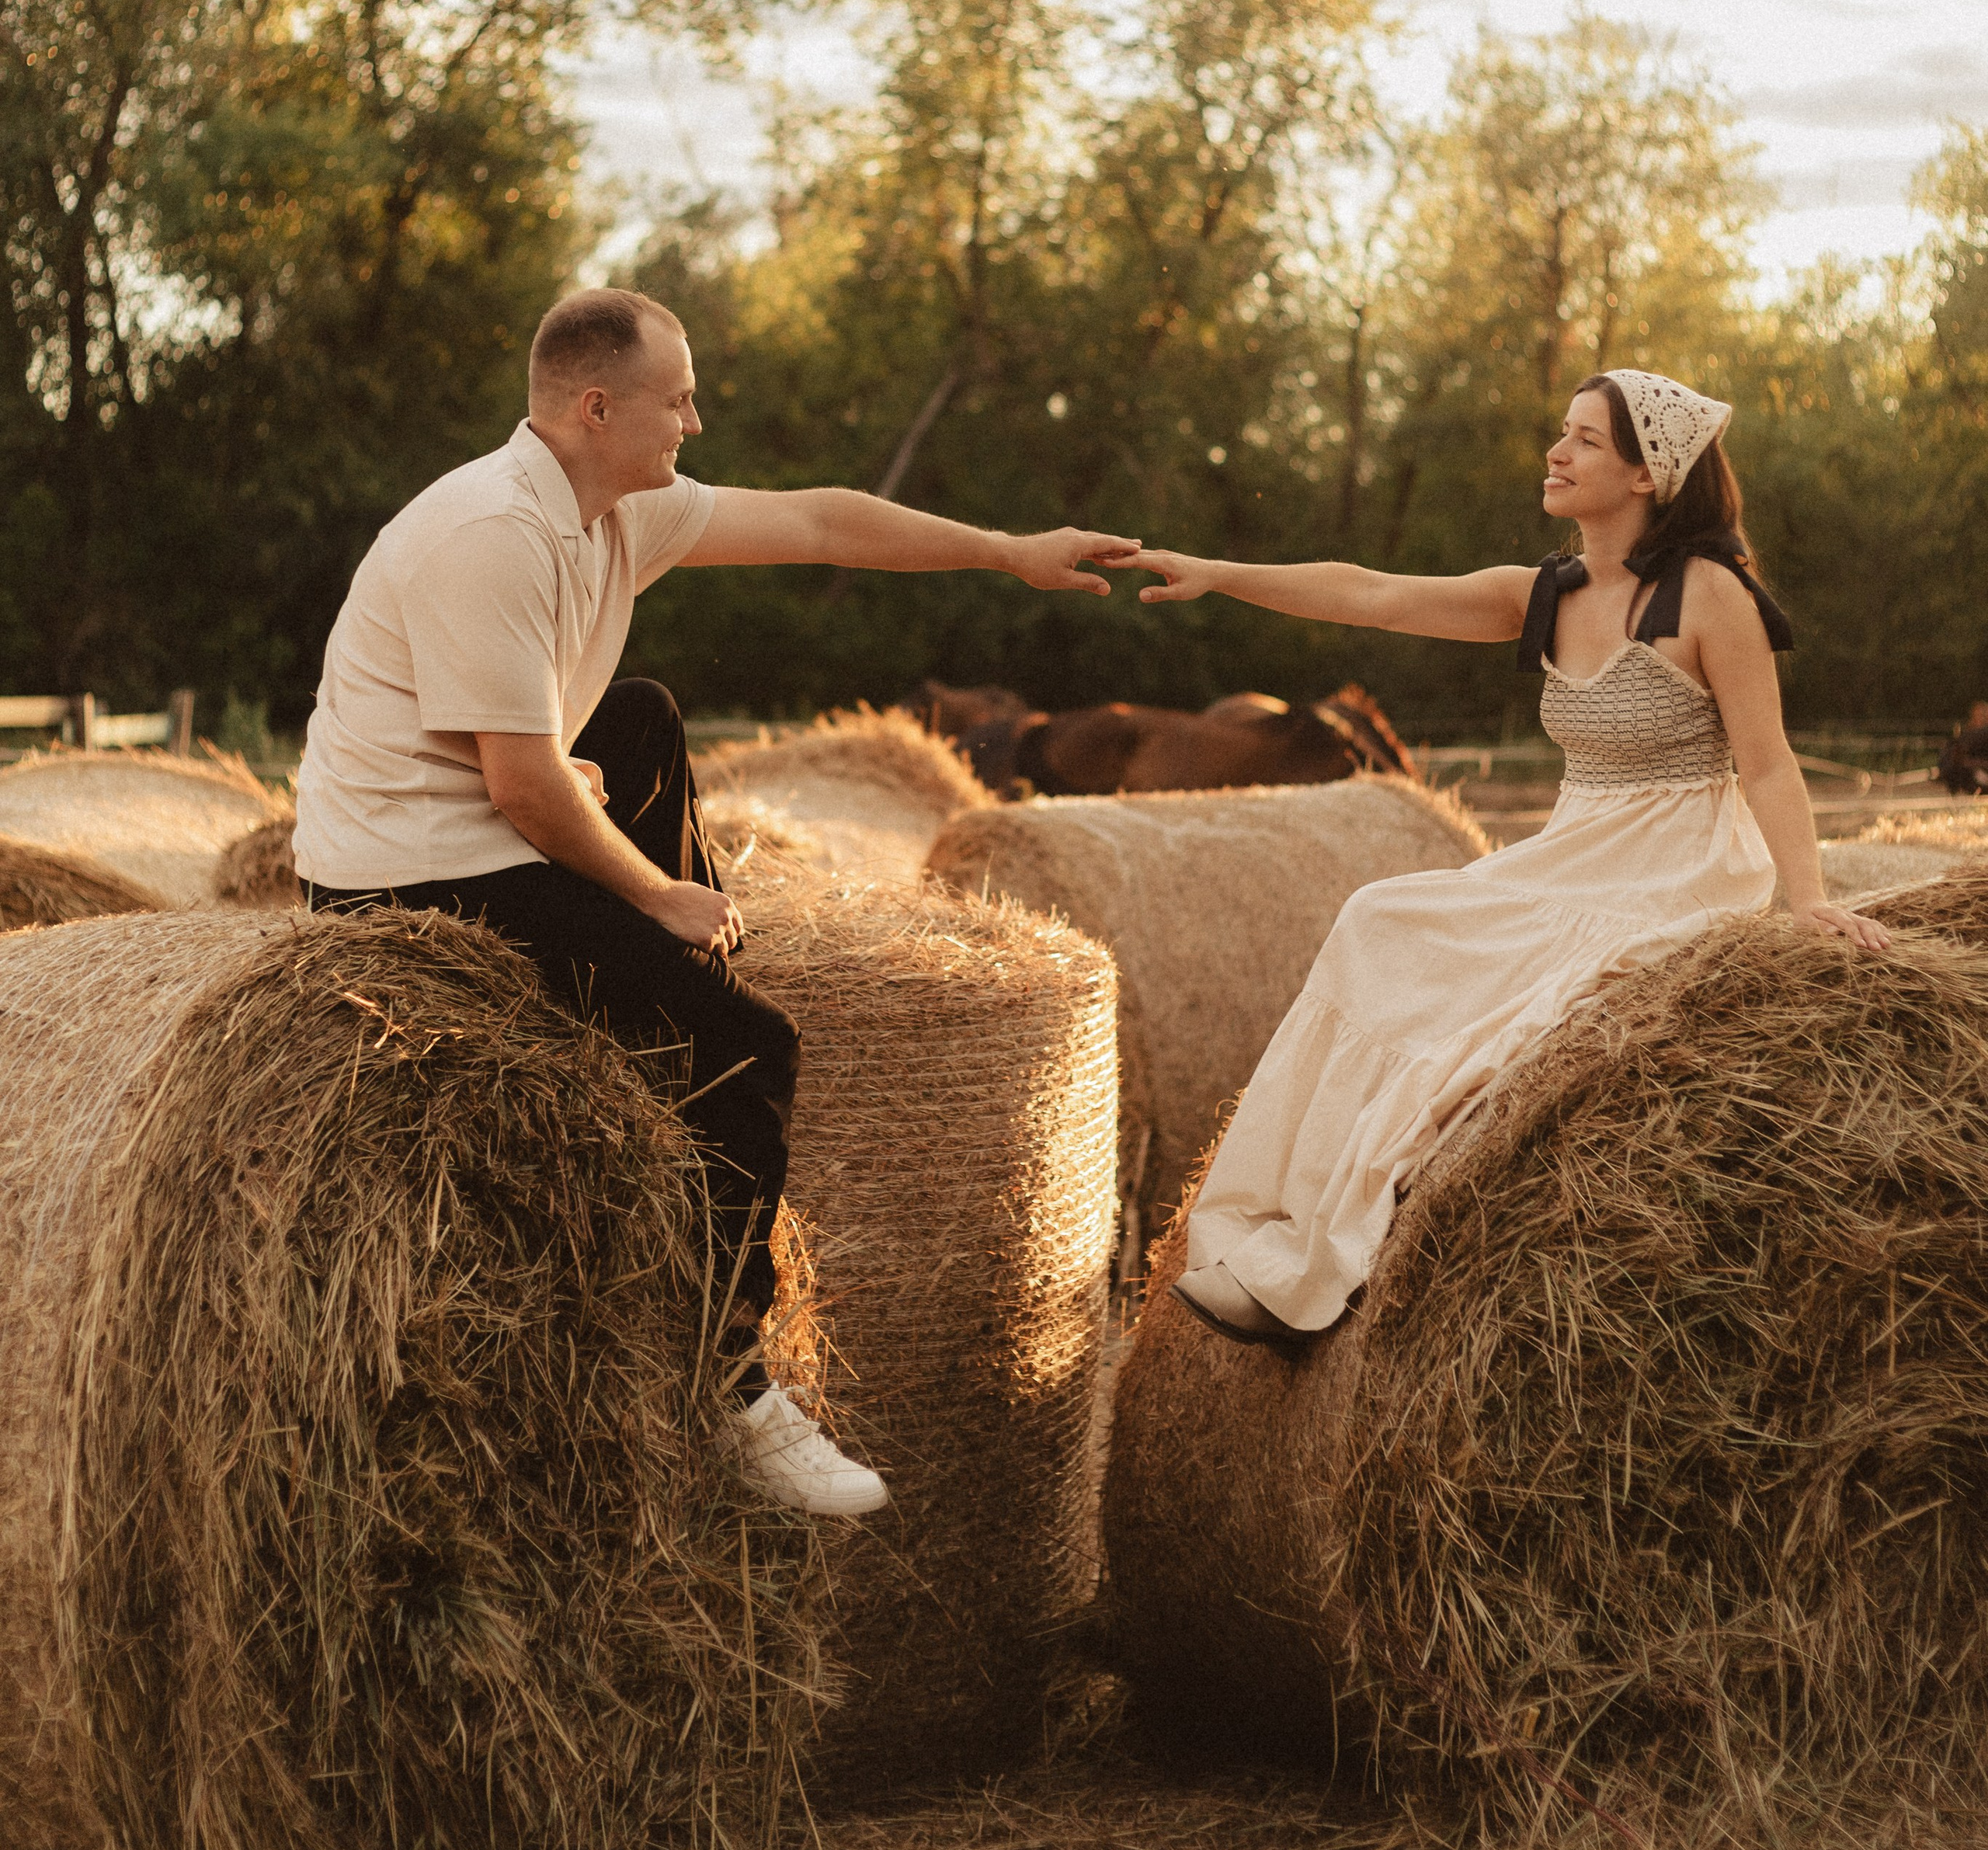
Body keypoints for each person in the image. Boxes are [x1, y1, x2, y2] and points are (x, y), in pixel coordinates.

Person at [294, 287, 1138, 1508]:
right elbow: (527, 787)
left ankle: (663, 1019)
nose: (697, 416)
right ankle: (727, 1379)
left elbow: (822, 523)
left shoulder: (612, 507)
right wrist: (659, 896)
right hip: (402, 880)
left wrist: (1010, 552)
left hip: (468, 818)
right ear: (596, 408)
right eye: (676, 396)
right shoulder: (494, 532)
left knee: (638, 717)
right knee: (745, 1047)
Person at [1123, 369, 1889, 1347]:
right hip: (1571, 851)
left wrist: (1806, 898)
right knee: (1379, 918)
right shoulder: (1546, 592)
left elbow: (1769, 765)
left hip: (1678, 861)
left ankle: (1326, 1260)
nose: (1555, 453)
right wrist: (1219, 573)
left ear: (1647, 474)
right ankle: (1283, 1235)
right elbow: (1371, 592)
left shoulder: (1708, 596)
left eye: (1582, 441)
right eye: (1560, 434)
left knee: (1526, 1009)